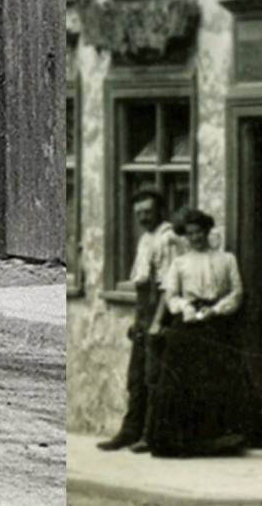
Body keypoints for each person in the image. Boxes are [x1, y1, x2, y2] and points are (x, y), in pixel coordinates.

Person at [146, 207, 253, 458]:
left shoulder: (226, 259)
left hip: (217, 324)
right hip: (188, 325)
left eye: (200, 232)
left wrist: (217, 309)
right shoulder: (180, 263)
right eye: (191, 234)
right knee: (182, 383)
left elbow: (236, 292)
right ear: (185, 236)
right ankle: (183, 443)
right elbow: (171, 294)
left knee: (214, 380)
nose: (196, 238)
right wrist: (184, 308)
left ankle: (217, 442)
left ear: (208, 232)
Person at [97, 189, 184, 452]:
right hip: (145, 315)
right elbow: (141, 287)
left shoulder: (167, 239)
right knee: (136, 377)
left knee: (153, 377)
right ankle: (130, 431)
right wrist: (138, 321)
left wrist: (158, 323)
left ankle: (151, 434)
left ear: (160, 211)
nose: (143, 217)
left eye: (148, 212)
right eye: (139, 213)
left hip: (161, 315)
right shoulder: (146, 239)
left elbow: (168, 287)